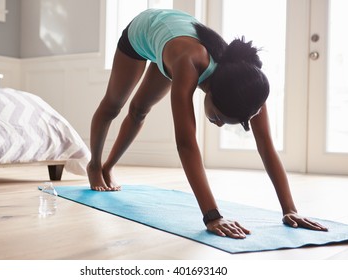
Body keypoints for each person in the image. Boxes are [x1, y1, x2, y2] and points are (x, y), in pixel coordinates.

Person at [87, 9, 327, 238]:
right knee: (114, 106)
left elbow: (266, 144)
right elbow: (186, 144)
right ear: (210, 93)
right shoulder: (188, 62)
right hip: (145, 30)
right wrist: (212, 216)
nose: (219, 125)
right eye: (220, 118)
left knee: (140, 109)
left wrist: (290, 209)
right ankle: (95, 166)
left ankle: (109, 168)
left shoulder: (249, 84)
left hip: (170, 41)